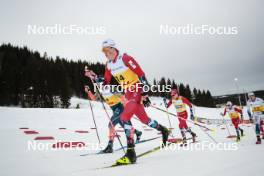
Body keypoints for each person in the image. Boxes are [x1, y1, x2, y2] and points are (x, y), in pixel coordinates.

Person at [85, 39, 169, 165]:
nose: (106, 54)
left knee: (124, 117)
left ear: (113, 48)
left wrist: (145, 93)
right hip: (128, 92)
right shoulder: (108, 65)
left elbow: (141, 74)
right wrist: (93, 77)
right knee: (145, 120)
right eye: (104, 52)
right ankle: (163, 129)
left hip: (136, 88)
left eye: (107, 51)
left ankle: (131, 153)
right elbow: (106, 81)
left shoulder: (125, 58)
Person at [84, 85, 142, 153]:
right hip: (114, 110)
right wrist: (88, 91)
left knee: (111, 125)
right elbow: (94, 98)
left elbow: (122, 96)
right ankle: (137, 132)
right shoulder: (99, 90)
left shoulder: (111, 88)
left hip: (120, 108)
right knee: (124, 126)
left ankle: (110, 146)